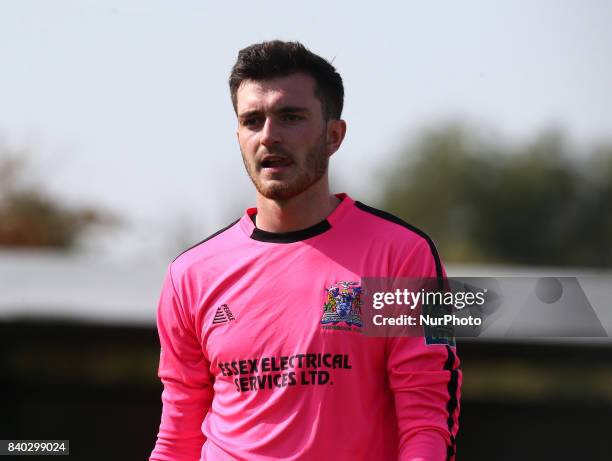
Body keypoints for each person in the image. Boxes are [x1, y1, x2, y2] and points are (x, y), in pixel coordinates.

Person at [149, 40, 461, 461]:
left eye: (290, 117)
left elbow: (427, 414)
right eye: (252, 120)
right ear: (238, 134)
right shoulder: (190, 273)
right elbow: (178, 430)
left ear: (333, 135)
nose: (269, 136)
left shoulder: (404, 254)